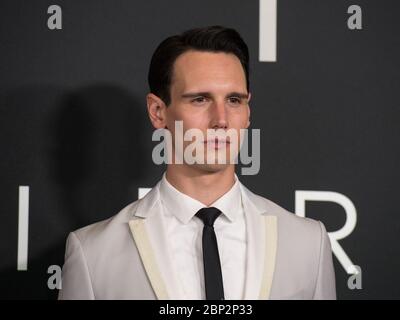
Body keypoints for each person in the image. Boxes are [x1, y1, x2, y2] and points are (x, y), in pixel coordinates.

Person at [58, 25, 336, 300]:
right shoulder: (93, 254)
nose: (221, 120)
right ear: (157, 112)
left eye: (234, 100)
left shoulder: (308, 243)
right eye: (200, 99)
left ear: (248, 111)